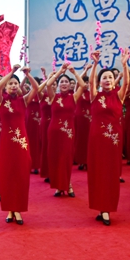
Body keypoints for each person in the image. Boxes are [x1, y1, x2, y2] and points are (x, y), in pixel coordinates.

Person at [87, 50, 130, 225]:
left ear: (114, 81)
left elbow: (127, 82)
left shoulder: (119, 96)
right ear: (100, 81)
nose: (107, 80)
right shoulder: (94, 96)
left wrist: (125, 64)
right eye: (104, 78)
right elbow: (90, 82)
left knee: (111, 173)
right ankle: (100, 207)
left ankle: (107, 208)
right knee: (98, 173)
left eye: (110, 78)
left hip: (113, 141)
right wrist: (95, 64)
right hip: (97, 140)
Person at [0, 64, 39, 224]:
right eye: (10, 83)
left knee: (20, 175)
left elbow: (36, 88)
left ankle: (18, 209)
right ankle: (9, 210)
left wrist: (28, 75)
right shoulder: (0, 100)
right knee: (8, 175)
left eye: (15, 83)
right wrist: (12, 72)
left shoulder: (23, 101)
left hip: (21, 144)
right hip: (6, 144)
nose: (13, 86)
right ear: (7, 86)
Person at [46, 63, 87, 197]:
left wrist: (74, 73)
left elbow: (83, 86)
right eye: (61, 82)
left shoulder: (73, 97)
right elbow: (47, 85)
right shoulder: (53, 97)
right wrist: (60, 72)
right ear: (58, 85)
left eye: (66, 82)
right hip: (54, 132)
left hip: (68, 133)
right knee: (57, 158)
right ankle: (59, 186)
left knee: (67, 158)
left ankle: (68, 184)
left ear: (70, 85)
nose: (64, 84)